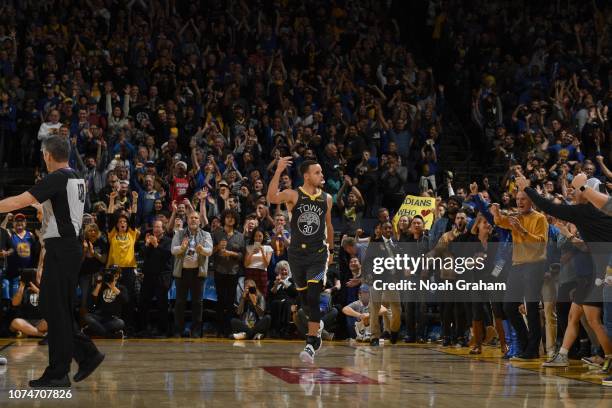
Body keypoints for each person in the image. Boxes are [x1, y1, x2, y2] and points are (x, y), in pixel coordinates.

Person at [0, 135, 103, 387]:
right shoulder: (75, 176)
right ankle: (77, 359)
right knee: (56, 309)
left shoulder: (56, 177)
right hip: (68, 247)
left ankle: (65, 368)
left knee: (53, 308)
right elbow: (59, 206)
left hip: (62, 248)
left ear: (47, 155)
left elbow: (20, 201)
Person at [267, 158, 334, 363]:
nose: (322, 176)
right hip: (296, 254)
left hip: (318, 254)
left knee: (314, 297)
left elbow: (329, 227)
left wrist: (330, 250)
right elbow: (271, 197)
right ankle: (317, 328)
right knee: (305, 303)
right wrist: (278, 170)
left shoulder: (327, 198)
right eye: (317, 172)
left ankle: (311, 342)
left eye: (321, 172)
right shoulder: (293, 195)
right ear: (307, 176)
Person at [491, 188, 548, 361]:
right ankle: (524, 344)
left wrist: (522, 230)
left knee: (531, 308)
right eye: (517, 199)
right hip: (517, 265)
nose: (520, 202)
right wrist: (495, 212)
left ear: (531, 201)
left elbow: (540, 242)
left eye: (523, 199)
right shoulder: (516, 217)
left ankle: (532, 350)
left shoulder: (540, 218)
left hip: (535, 265)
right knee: (509, 306)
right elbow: (500, 221)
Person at [171, 211, 213, 337]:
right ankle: (178, 330)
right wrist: (182, 248)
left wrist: (202, 250)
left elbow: (210, 251)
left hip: (197, 273)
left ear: (199, 221)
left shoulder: (206, 234)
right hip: (182, 272)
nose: (193, 220)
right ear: (187, 220)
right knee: (179, 303)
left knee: (197, 303)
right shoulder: (179, 233)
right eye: (191, 218)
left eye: (196, 218)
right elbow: (173, 250)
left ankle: (196, 331)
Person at [139, 220, 173, 337]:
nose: (156, 229)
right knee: (143, 302)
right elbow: (142, 255)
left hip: (162, 276)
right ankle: (143, 328)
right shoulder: (149, 240)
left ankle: (163, 330)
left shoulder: (168, 241)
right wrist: (147, 244)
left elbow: (167, 256)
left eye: (158, 227)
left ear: (163, 229)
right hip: (148, 276)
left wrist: (156, 245)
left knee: (162, 304)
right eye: (154, 227)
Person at [84, 266, 128, 338]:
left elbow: (125, 300)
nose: (113, 276)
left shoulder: (121, 287)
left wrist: (113, 287)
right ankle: (111, 336)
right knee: (87, 316)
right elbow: (92, 302)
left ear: (119, 276)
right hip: (99, 316)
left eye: (115, 274)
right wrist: (98, 285)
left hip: (113, 319)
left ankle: (93, 330)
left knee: (121, 323)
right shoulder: (102, 286)